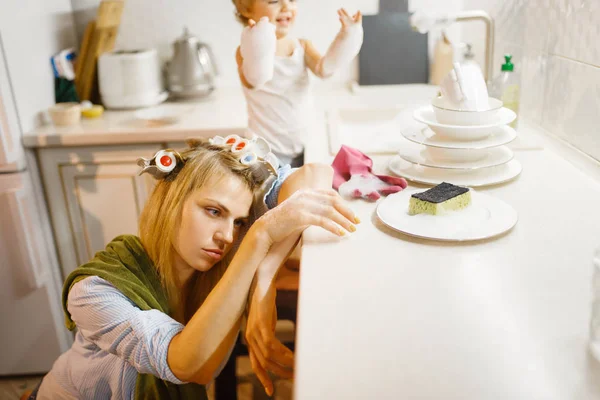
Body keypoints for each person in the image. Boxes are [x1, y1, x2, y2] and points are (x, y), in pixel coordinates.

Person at [33, 137, 358, 399]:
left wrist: (264, 281)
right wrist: (259, 235)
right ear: (171, 201)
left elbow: (313, 173)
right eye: (213, 211)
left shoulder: (218, 265)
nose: (227, 236)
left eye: (240, 221)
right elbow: (190, 365)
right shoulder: (92, 292)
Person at [233, 0, 364, 167]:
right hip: (264, 150)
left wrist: (348, 37)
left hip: (304, 145)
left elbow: (325, 69)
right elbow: (254, 81)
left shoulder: (301, 46)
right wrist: (258, 43)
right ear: (246, 9)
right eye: (274, 1)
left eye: (292, 0)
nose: (286, 7)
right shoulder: (246, 51)